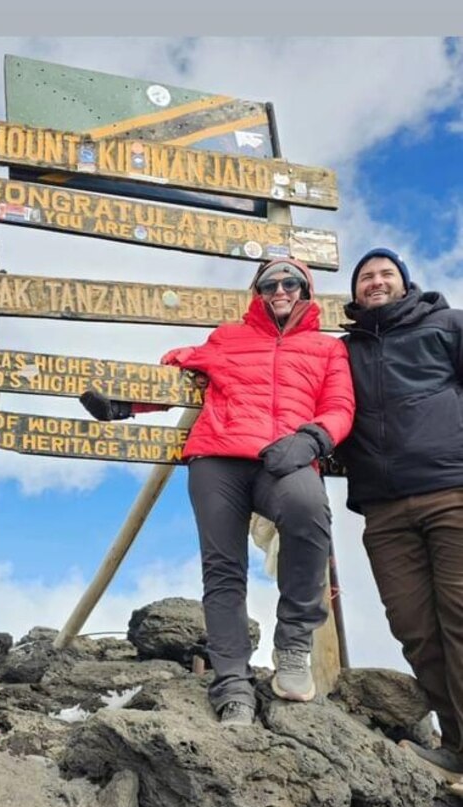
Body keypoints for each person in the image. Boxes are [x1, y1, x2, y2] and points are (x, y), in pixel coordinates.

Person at [80, 258, 354, 726]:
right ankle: (232, 686)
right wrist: (125, 405)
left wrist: (311, 440)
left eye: (291, 282)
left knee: (310, 514)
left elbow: (340, 405)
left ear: (306, 291)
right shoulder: (227, 337)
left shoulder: (327, 350)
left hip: (284, 458)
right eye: (271, 283)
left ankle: (293, 647)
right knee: (223, 569)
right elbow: (181, 376)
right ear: (258, 291)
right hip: (219, 459)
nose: (281, 289)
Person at [338, 247, 463, 782]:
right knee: (414, 628)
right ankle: (455, 746)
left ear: (406, 283)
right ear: (355, 292)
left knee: (460, 620)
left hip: (451, 492)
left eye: (386, 273)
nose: (376, 282)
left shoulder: (448, 326)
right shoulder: (344, 351)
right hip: (383, 509)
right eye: (366, 277)